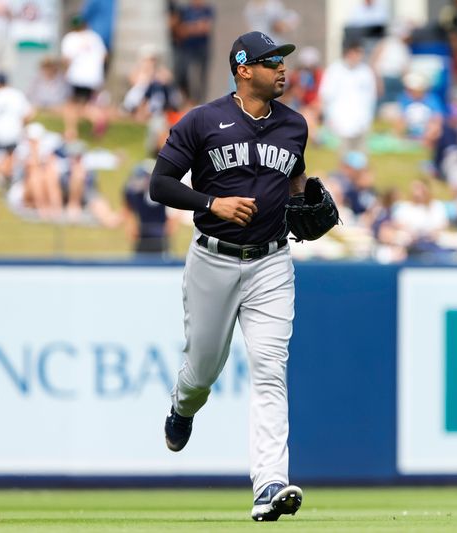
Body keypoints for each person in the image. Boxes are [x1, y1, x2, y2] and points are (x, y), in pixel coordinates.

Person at [148, 31, 315, 521]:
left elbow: (296, 178)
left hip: (271, 263)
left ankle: (269, 484)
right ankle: (182, 407)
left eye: (283, 60)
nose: (282, 68)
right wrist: (210, 202)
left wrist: (308, 199)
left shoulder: (294, 125)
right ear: (243, 69)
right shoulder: (202, 121)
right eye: (271, 62)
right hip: (213, 259)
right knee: (202, 372)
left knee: (270, 370)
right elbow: (159, 183)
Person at [319, 39, 377, 154]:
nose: (358, 56)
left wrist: (367, 120)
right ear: (348, 53)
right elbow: (326, 95)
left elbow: (371, 98)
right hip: (340, 122)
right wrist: (329, 118)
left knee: (361, 158)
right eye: (356, 52)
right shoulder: (335, 70)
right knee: (344, 159)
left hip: (361, 122)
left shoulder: (366, 71)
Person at [60, 15, 108, 140]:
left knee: (72, 105)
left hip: (77, 76)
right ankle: (97, 117)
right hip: (94, 77)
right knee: (85, 103)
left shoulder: (71, 38)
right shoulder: (94, 37)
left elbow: (67, 59)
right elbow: (104, 56)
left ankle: (71, 131)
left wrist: (66, 71)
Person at [169, 0, 214, 104]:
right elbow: (179, 30)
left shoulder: (207, 9)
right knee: (186, 75)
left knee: (202, 77)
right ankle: (189, 100)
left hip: (202, 49)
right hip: (187, 49)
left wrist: (188, 28)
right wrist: (195, 27)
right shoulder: (185, 10)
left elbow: (205, 27)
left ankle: (200, 101)